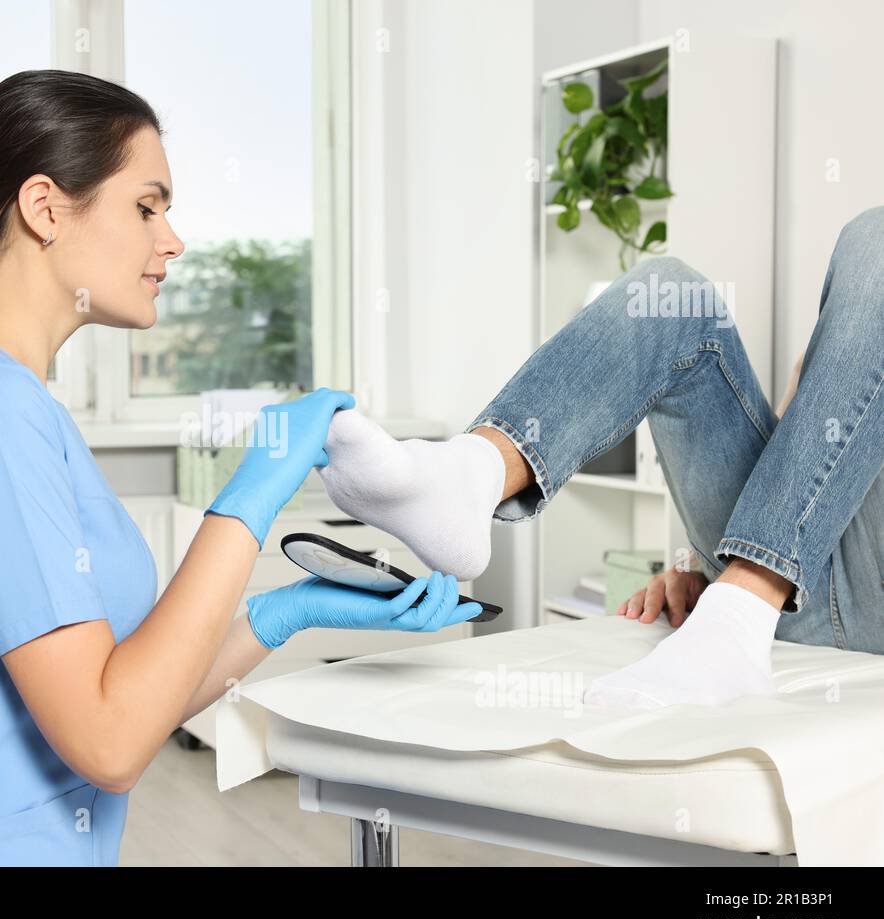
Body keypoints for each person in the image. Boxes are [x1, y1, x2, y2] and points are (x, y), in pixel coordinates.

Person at [0, 69, 482, 867]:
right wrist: (249, 497)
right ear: (45, 209)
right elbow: (110, 742)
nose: (171, 239)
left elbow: (128, 691)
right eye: (147, 206)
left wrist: (288, 611)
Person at [317, 206, 884, 711]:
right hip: (811, 576)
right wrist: (695, 565)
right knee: (669, 289)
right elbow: (805, 458)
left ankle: (743, 609)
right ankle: (469, 477)